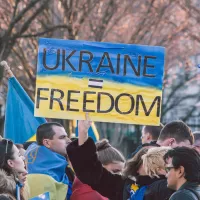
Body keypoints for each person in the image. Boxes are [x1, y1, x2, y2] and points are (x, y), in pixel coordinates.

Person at [67, 116, 173, 200]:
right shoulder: (125, 187)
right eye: (146, 157)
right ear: (137, 164)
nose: (149, 159)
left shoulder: (170, 188)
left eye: (154, 157)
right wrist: (83, 132)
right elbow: (92, 173)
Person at [25, 122, 73, 200]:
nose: (69, 141)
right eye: (62, 137)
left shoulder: (58, 168)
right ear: (47, 143)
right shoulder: (40, 176)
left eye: (67, 137)